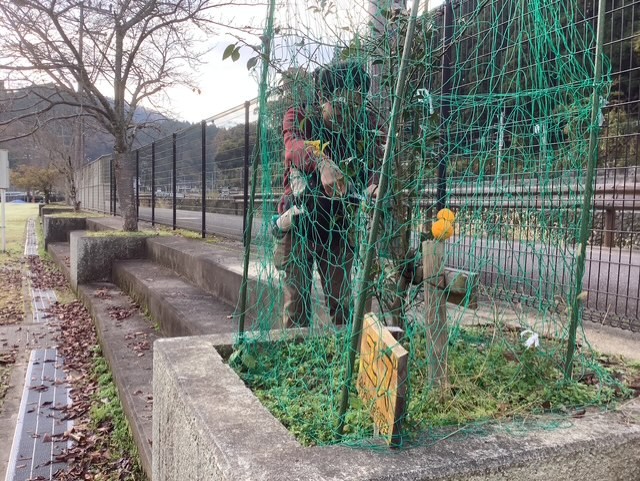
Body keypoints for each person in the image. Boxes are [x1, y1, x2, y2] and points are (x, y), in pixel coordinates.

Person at [274, 62, 382, 328]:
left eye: (355, 107)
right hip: (298, 223)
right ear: (323, 98)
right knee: (296, 307)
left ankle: (347, 350)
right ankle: (295, 349)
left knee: (343, 305)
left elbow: (375, 163)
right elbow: (293, 147)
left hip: (338, 226)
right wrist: (323, 162)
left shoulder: (365, 124)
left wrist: (374, 184)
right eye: (342, 108)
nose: (348, 115)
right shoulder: (299, 116)